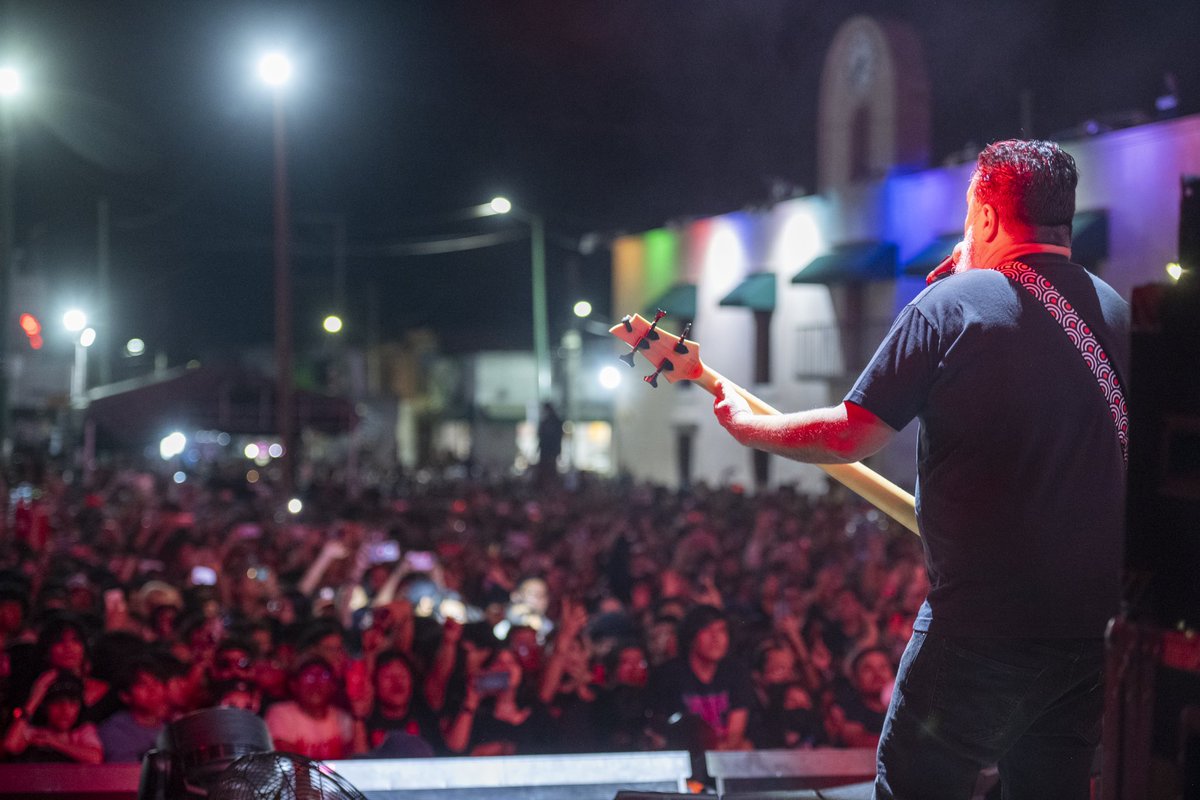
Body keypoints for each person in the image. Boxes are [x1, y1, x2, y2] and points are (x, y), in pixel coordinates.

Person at [714, 139, 1128, 799]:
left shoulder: (952, 305)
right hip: (1096, 632)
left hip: (983, 629)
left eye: (970, 212)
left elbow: (852, 433)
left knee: (916, 786)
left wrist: (746, 424)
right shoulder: (1122, 313)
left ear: (986, 216)